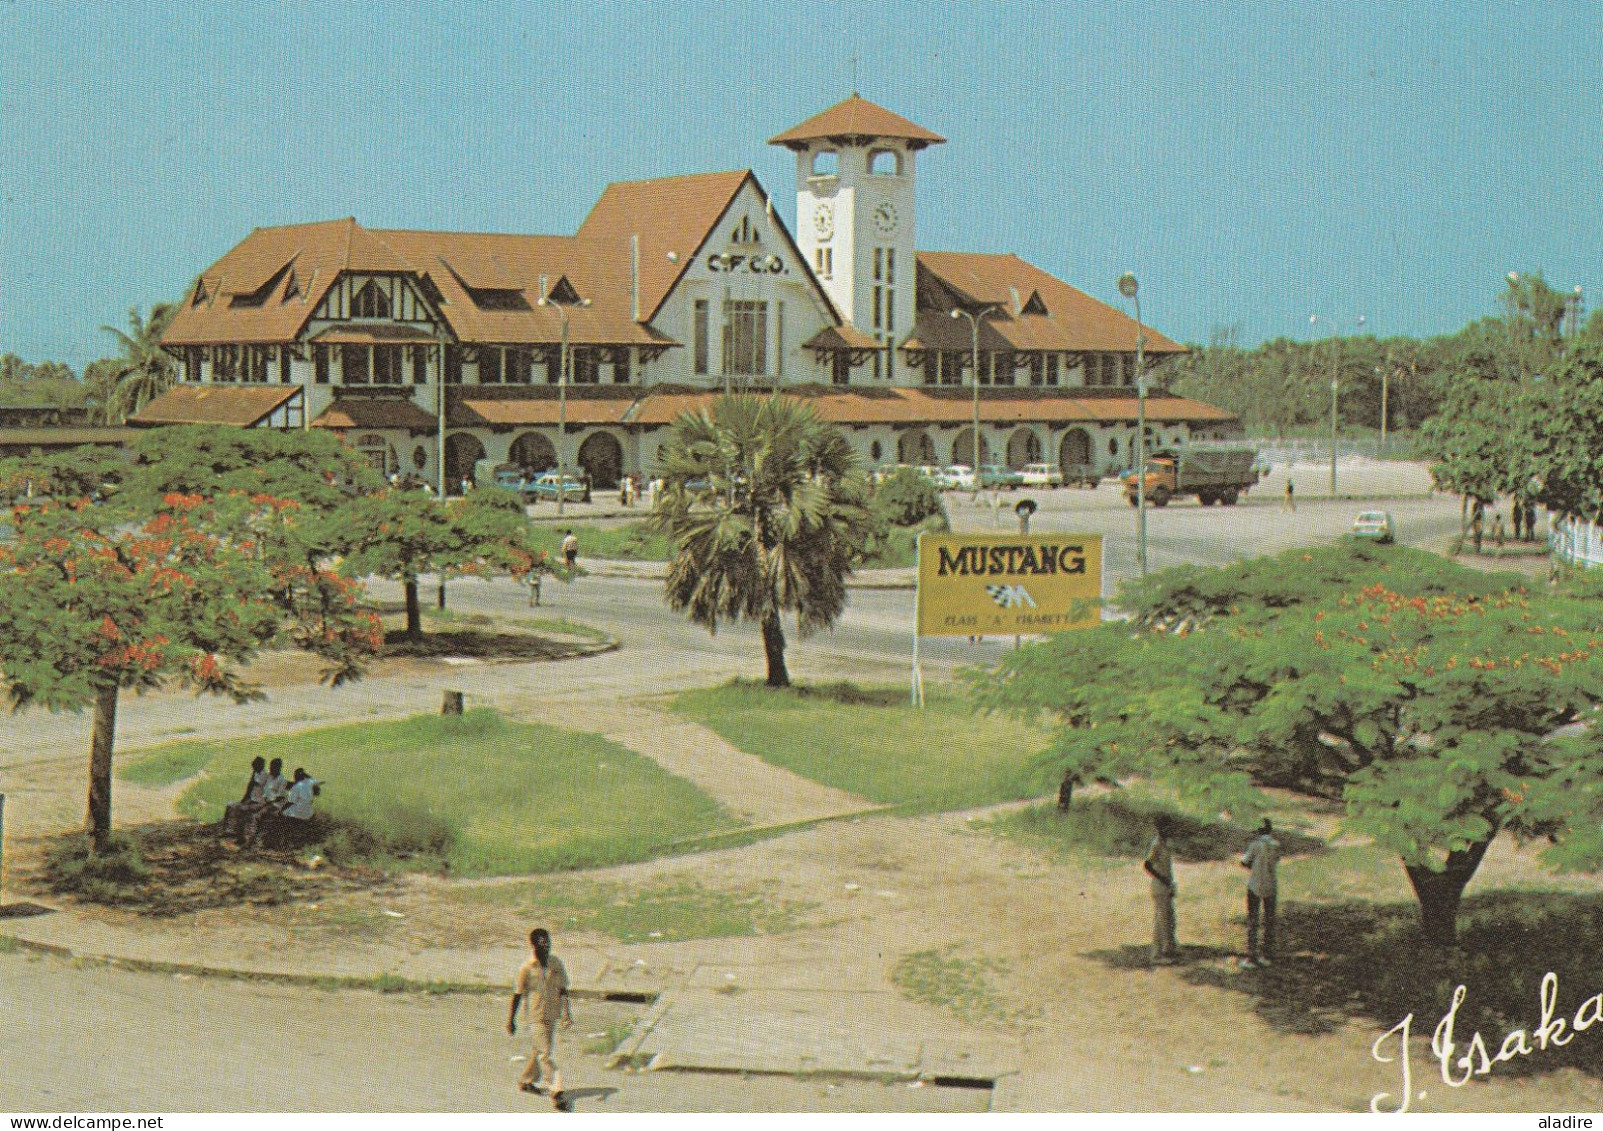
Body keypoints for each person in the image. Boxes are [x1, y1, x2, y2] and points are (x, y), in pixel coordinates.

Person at [509, 927, 573, 1110]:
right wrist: (511, 1020)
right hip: (535, 1017)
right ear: (534, 946)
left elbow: (563, 990)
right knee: (546, 1053)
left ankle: (526, 1080)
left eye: (548, 943)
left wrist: (567, 1012)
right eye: (542, 944)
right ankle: (557, 1090)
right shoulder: (526, 969)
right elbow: (518, 994)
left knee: (539, 1051)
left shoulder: (556, 964)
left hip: (552, 1014)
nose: (547, 948)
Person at [1239, 819, 1280, 968]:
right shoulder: (1275, 845)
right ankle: (1267, 954)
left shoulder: (1255, 845)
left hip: (1255, 885)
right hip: (1271, 885)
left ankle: (1252, 956)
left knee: (1253, 920)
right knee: (1269, 921)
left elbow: (1245, 861)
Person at [1144, 815, 1179, 965]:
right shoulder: (1156, 844)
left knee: (1168, 918)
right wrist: (1162, 879)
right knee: (1161, 920)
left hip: (1166, 885)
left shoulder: (1165, 844)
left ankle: (1167, 949)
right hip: (1159, 886)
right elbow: (1147, 865)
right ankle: (1157, 954)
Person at [269, 767, 321, 849]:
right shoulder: (308, 785)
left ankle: (283, 842)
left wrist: (281, 810)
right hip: (309, 813)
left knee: (282, 818)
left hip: (298, 813)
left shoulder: (296, 787)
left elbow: (290, 802)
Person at [246, 758, 290, 845]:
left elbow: (280, 797)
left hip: (275, 805)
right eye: (270, 767)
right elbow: (264, 790)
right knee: (248, 810)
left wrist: (266, 803)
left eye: (273, 767)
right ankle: (249, 837)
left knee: (257, 815)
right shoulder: (269, 778)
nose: (270, 769)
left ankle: (252, 840)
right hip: (267, 803)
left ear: (278, 768)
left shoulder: (282, 780)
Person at [223, 756, 268, 840]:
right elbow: (250, 789)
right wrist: (245, 799)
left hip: (257, 801)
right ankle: (229, 829)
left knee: (241, 809)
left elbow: (253, 786)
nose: (254, 767)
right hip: (252, 800)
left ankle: (238, 834)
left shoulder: (264, 775)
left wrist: (246, 800)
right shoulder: (256, 773)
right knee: (230, 806)